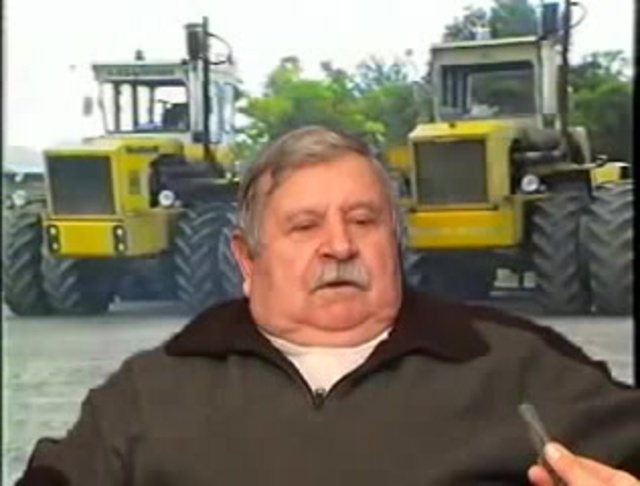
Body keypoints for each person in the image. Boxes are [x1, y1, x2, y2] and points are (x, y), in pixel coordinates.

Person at [17, 126, 639, 485]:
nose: (339, 245)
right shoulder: (151, 394)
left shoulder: (512, 365)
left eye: (363, 220)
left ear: (395, 240)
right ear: (247, 259)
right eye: (305, 225)